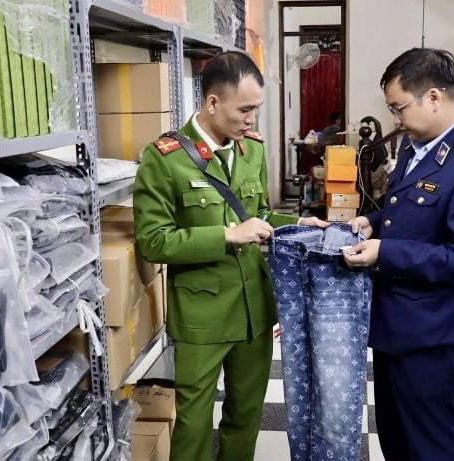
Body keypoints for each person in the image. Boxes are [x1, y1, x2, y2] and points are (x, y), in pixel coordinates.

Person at [132, 50, 327, 461]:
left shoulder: (251, 150)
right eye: (245, 110)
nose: (252, 120)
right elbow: (153, 241)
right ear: (213, 102)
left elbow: (257, 215)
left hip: (254, 310)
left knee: (246, 415)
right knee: (194, 421)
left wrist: (296, 223)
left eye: (256, 109)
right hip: (201, 315)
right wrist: (226, 235)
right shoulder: (165, 159)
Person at [342, 47, 454, 461]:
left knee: (430, 445)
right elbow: (407, 215)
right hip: (395, 324)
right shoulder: (418, 148)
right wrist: (373, 222)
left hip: (431, 334)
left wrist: (384, 253)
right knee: (396, 438)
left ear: (433, 97)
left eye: (398, 108)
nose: (396, 119)